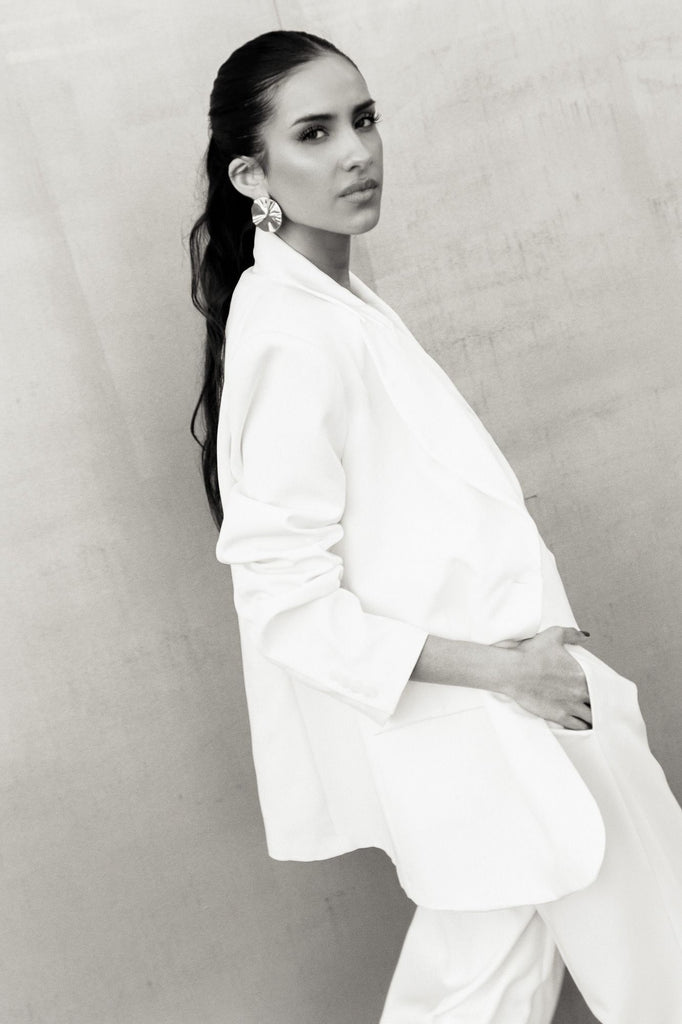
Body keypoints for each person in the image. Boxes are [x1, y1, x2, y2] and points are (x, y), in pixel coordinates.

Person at [189, 29, 682, 1023]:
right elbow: (285, 604)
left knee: (481, 990)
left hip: (510, 730)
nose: (356, 152)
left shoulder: (338, 306)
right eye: (315, 133)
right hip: (495, 720)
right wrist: (510, 674)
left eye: (364, 120)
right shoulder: (289, 331)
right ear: (252, 174)